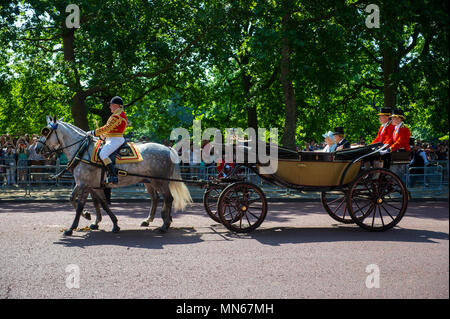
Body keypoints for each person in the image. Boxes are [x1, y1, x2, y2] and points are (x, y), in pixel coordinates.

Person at [88, 96, 128, 184]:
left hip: (116, 139)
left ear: (116, 105)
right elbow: (110, 131)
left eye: (111, 105)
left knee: (103, 154)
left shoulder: (117, 116)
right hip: (112, 138)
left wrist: (93, 132)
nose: (110, 107)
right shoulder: (118, 114)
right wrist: (103, 136)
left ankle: (113, 176)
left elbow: (107, 128)